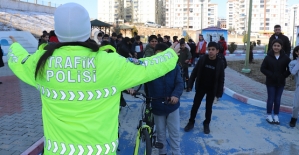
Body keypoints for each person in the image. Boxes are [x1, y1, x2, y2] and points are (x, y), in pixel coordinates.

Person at [7, 3, 179, 154]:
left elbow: (20, 61)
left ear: (57, 32)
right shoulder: (109, 62)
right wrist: (171, 55)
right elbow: (147, 66)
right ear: (87, 30)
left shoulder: (41, 62)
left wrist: (15, 46)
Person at [143, 43, 183, 155]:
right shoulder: (150, 69)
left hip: (172, 106)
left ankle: (176, 153)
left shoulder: (174, 67)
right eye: (157, 55)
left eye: (162, 54)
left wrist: (175, 95)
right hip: (157, 106)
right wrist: (130, 87)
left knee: (174, 133)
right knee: (160, 134)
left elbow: (180, 83)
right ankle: (162, 153)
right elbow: (140, 78)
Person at [184, 42, 225, 134]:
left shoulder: (220, 63)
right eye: (209, 49)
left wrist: (219, 92)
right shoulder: (203, 59)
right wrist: (190, 85)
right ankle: (191, 122)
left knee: (208, 108)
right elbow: (194, 72)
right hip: (201, 87)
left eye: (213, 50)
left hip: (211, 89)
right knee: (195, 106)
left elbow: (221, 78)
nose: (210, 51)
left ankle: (206, 124)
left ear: (217, 51)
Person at [261, 39, 291, 125]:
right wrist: (271, 75)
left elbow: (290, 68)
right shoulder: (268, 57)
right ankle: (269, 115)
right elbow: (263, 68)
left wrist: (283, 75)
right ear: (272, 46)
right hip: (270, 82)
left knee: (277, 100)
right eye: (275, 45)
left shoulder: (285, 58)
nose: (276, 47)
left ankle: (276, 115)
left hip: (280, 82)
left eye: (278, 46)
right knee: (270, 99)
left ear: (281, 47)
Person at [289, 46, 299, 127]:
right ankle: (294, 118)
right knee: (296, 105)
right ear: (296, 52)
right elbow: (292, 72)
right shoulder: (293, 63)